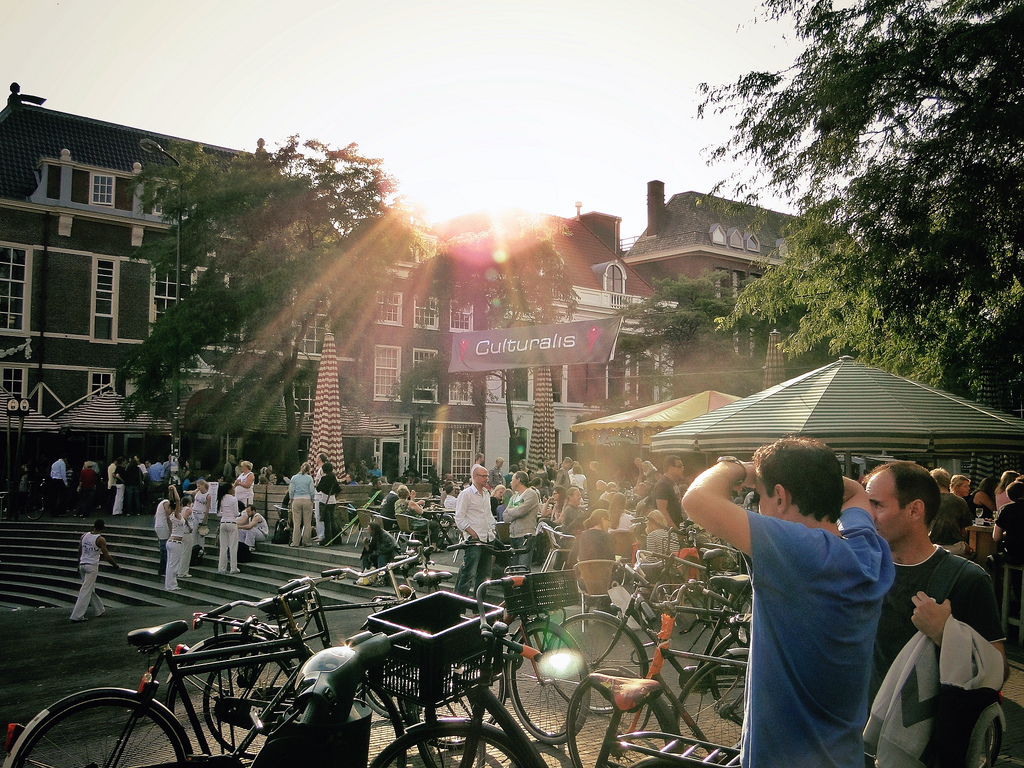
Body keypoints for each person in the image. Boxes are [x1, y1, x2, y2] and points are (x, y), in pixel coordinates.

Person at [682, 438, 894, 768]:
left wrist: (738, 468)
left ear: (780, 497)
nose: (759, 508)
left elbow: (696, 500)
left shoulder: (800, 552)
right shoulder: (864, 547)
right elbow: (855, 492)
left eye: (761, 497)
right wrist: (795, 475)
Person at [864, 461, 1006, 703]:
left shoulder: (967, 579)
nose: (867, 514)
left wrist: (945, 633)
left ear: (915, 510)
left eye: (876, 504)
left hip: (922, 734)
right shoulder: (862, 569)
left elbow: (999, 671)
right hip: (859, 729)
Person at [454, 465, 496, 596]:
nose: (486, 479)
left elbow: (488, 514)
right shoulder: (466, 494)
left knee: (484, 576)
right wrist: (472, 533)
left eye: (487, 476)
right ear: (475, 477)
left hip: (488, 539)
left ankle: (478, 607)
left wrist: (493, 530)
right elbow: (459, 517)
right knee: (468, 574)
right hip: (474, 541)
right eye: (483, 476)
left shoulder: (486, 493)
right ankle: (458, 606)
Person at [70, 518, 120, 622]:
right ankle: (77, 615)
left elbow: (80, 551)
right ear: (103, 527)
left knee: (89, 589)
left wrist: (78, 563)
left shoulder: (84, 536)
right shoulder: (100, 539)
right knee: (86, 590)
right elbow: (106, 555)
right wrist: (115, 565)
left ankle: (99, 609)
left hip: (82, 564)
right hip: (91, 566)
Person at [927, 467, 973, 556]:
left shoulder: (927, 501)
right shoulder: (960, 501)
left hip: (931, 546)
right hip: (955, 547)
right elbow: (964, 530)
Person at [505, 471, 540, 568]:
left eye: (512, 480)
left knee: (523, 569)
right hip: (513, 536)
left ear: (519, 480)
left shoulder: (531, 494)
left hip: (525, 537)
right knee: (514, 569)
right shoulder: (513, 497)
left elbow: (520, 511)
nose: (510, 482)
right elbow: (505, 517)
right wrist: (514, 511)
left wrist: (511, 511)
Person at [164, 490, 192, 591]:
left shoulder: (170, 515)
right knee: (173, 565)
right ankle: (172, 585)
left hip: (171, 541)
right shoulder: (176, 514)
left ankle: (169, 584)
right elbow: (177, 500)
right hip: (176, 542)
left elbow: (172, 500)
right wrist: (175, 490)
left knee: (170, 564)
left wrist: (170, 492)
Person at [153, 486, 180, 578]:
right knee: (164, 549)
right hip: (162, 527)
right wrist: (171, 530)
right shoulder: (166, 503)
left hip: (158, 526)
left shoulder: (162, 503)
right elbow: (169, 517)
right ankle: (163, 569)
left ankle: (163, 569)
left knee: (163, 546)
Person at [653, 455, 686, 527]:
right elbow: (662, 510)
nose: (682, 469)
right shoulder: (663, 484)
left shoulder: (672, 482)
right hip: (668, 532)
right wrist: (675, 530)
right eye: (680, 466)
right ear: (670, 467)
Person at [288, 462, 315, 547]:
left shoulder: (294, 478)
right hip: (307, 500)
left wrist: (291, 498)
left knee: (297, 523)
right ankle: (306, 542)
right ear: (308, 469)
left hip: (296, 499)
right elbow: (312, 491)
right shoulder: (309, 478)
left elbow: (291, 490)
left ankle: (295, 542)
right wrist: (312, 499)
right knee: (307, 522)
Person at [217, 484, 242, 574]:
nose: (234, 489)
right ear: (229, 490)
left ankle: (221, 568)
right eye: (232, 488)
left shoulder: (221, 499)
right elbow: (236, 513)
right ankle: (233, 567)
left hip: (223, 522)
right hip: (232, 522)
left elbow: (219, 513)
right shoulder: (233, 499)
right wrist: (240, 514)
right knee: (233, 546)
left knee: (223, 547)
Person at [316, 461, 342, 546]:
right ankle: (337, 538)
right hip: (332, 500)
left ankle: (328, 539)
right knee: (332, 520)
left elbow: (318, 488)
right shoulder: (334, 478)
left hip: (324, 501)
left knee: (327, 522)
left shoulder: (325, 478)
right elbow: (338, 489)